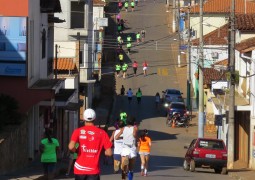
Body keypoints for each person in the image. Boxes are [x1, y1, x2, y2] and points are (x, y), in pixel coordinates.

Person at [68, 108, 112, 180]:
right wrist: (99, 151)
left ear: (83, 118)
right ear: (95, 118)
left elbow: (71, 147)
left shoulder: (78, 131)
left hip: (79, 169)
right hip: (93, 170)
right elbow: (109, 153)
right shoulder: (102, 133)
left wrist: (76, 150)